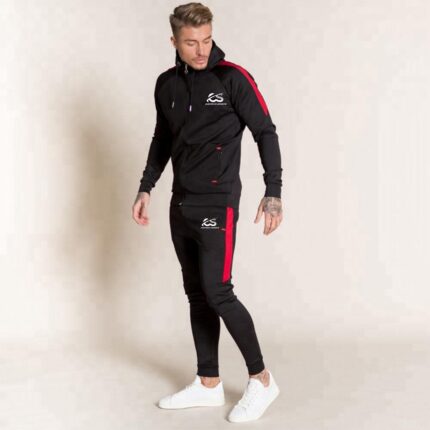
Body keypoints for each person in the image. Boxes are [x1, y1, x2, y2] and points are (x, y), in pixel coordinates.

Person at [132, 2, 283, 423]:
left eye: (207, 40)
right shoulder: (166, 85)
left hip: (219, 203)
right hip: (181, 203)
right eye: (191, 43)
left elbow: (265, 131)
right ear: (174, 41)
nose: (201, 50)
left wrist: (273, 191)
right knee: (197, 293)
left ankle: (262, 379)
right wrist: (146, 186)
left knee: (218, 291)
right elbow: (162, 138)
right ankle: (208, 382)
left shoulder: (232, 78)